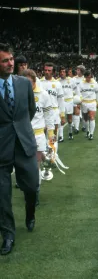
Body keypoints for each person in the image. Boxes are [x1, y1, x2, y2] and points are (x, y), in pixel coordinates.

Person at [0, 43, 39, 255]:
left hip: (24, 143)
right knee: (2, 195)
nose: (10, 63)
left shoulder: (24, 83)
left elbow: (30, 111)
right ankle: (8, 235)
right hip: (1, 148)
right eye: (5, 60)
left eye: (11, 59)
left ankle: (30, 213)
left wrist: (20, 129)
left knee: (32, 186)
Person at [21, 69, 55, 206]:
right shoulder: (19, 94)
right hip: (22, 135)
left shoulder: (44, 95)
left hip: (38, 134)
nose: (27, 86)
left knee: (35, 166)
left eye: (29, 82)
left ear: (35, 81)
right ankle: (27, 190)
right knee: (23, 167)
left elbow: (48, 116)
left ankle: (35, 192)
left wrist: (51, 134)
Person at [78, 70, 98, 140]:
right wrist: (79, 102)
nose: (89, 78)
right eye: (87, 77)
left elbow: (97, 92)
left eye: (90, 77)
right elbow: (78, 93)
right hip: (84, 103)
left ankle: (91, 134)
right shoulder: (81, 84)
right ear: (85, 77)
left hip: (92, 102)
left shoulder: (95, 83)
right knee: (85, 118)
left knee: (92, 117)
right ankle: (87, 131)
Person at [58, 66, 76, 141]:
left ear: (66, 73)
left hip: (69, 101)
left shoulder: (71, 80)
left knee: (69, 119)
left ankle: (70, 132)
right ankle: (61, 136)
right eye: (61, 72)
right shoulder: (57, 81)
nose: (62, 73)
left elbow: (76, 89)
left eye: (63, 72)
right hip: (61, 101)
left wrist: (77, 98)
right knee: (61, 119)